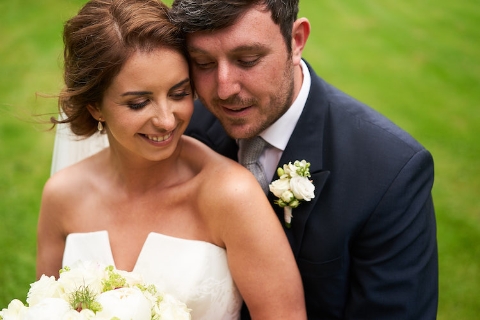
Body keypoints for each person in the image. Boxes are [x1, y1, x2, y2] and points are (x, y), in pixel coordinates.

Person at [36, 0, 307, 319]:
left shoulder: (231, 196)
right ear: (96, 107)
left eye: (179, 94)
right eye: (139, 103)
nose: (166, 120)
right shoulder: (62, 195)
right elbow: (46, 308)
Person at [169, 0, 439, 319]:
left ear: (296, 40)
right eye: (203, 63)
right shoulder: (183, 132)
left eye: (248, 59)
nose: (225, 88)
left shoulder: (390, 171)